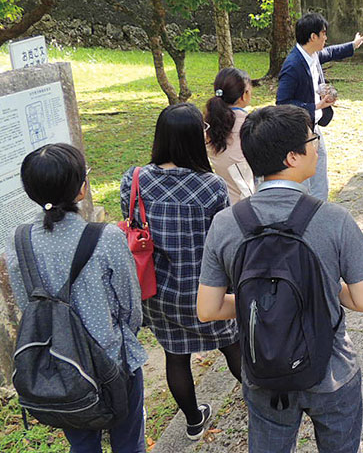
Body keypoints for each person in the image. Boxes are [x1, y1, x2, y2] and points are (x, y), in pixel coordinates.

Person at [197, 104, 363, 453]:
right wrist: (323, 289)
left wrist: (263, 303)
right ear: (293, 156)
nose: (316, 146)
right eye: (312, 139)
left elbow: (208, 309)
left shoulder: (225, 223)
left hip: (265, 370)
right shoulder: (334, 220)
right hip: (332, 370)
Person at [6, 144, 147, 452]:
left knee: (82, 443)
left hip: (61, 367)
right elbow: (130, 307)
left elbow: (29, 303)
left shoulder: (18, 243)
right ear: (81, 190)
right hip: (113, 363)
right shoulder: (106, 237)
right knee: (129, 441)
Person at [121, 103, 240, 440]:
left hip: (158, 292)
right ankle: (267, 401)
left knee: (176, 356)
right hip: (208, 290)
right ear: (192, 138)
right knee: (233, 346)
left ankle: (192, 422)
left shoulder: (134, 179)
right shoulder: (211, 187)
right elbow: (224, 238)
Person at [276, 12, 363, 201]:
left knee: (320, 180)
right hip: (298, 132)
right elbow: (282, 103)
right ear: (313, 37)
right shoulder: (293, 65)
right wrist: (317, 105)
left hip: (313, 129)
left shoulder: (313, 55)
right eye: (323, 33)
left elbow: (332, 52)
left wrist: (353, 44)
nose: (326, 38)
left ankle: (319, 215)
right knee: (304, 184)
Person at [206, 67, 254, 204]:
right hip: (247, 202)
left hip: (223, 200)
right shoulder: (250, 124)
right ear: (244, 95)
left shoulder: (209, 124)